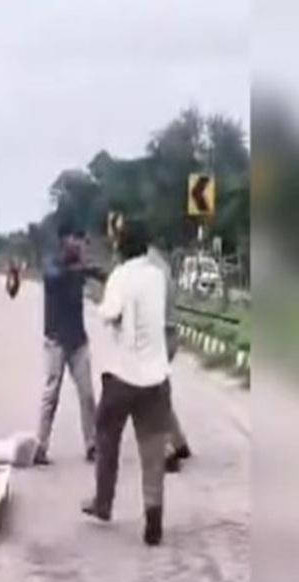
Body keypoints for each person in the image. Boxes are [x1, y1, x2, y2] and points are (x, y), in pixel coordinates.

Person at [81, 218, 171, 546]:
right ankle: (154, 519)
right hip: (156, 376)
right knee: (152, 452)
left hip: (122, 375)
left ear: (120, 244)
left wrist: (101, 300)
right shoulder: (157, 276)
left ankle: (103, 503)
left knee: (107, 440)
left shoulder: (120, 276)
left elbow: (110, 312)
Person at [33, 219, 101, 465]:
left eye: (82, 239)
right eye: (77, 239)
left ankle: (92, 444)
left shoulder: (80, 265)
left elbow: (97, 273)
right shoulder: (53, 263)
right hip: (56, 340)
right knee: (51, 394)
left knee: (87, 395)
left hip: (78, 340)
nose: (81, 244)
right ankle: (40, 445)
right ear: (64, 240)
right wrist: (81, 269)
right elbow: (53, 277)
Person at [149, 244, 192, 472]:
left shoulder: (145, 268)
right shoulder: (160, 263)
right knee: (159, 390)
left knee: (151, 395)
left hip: (158, 337)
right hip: (171, 334)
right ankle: (179, 441)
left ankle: (167, 451)